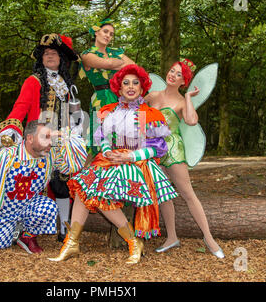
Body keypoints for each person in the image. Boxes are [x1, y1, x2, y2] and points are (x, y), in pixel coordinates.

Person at [48, 64, 178, 264]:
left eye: (136, 83)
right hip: (109, 162)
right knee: (84, 187)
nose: (131, 86)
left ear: (143, 88)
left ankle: (133, 242)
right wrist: (108, 150)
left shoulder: (151, 114)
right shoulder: (109, 112)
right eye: (126, 83)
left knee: (98, 191)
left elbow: (158, 148)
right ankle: (72, 242)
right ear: (119, 88)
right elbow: (104, 139)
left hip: (137, 165)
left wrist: (130, 157)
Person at [0, 33, 81, 244]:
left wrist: (76, 128)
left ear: (62, 59)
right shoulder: (33, 81)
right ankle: (25, 233)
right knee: (32, 185)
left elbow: (71, 115)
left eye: (54, 53)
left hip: (60, 142)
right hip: (39, 142)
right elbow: (21, 107)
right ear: (41, 59)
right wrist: (11, 129)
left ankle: (64, 229)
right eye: (46, 53)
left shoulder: (66, 86)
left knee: (62, 185)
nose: (50, 56)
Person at [144, 59, 225, 258]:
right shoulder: (152, 95)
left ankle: (209, 238)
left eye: (178, 74)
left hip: (172, 150)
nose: (172, 75)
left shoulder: (181, 102)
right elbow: (133, 107)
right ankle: (172, 237)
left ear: (183, 81)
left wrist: (188, 97)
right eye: (172, 70)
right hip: (153, 150)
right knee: (163, 193)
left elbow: (191, 120)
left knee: (188, 193)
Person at [0, 120, 87, 255]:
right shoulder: (7, 155)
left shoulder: (51, 156)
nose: (50, 142)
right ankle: (11, 232)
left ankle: (27, 236)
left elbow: (73, 165)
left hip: (27, 207)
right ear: (30, 138)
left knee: (48, 208)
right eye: (45, 137)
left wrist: (65, 134)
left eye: (51, 138)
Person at [79, 18, 135, 157]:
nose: (108, 36)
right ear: (96, 32)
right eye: (105, 31)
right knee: (100, 138)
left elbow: (134, 67)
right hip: (101, 99)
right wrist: (118, 63)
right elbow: (108, 64)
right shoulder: (86, 54)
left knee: (122, 137)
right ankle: (93, 174)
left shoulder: (116, 52)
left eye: (111, 34)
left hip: (121, 98)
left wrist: (113, 62)